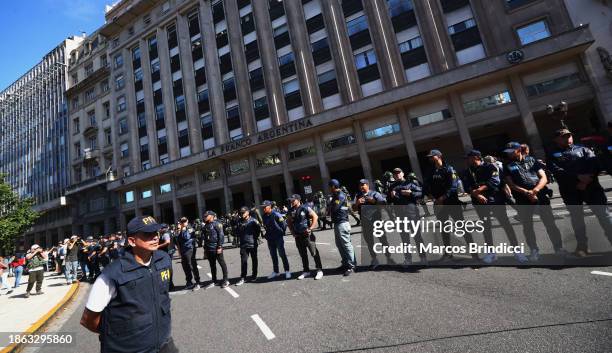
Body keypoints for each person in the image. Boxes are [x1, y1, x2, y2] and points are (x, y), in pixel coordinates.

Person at [80, 216, 177, 353]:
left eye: (156, 233)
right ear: (131, 241)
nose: (155, 237)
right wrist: (120, 335)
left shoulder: (164, 259)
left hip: (164, 344)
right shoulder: (112, 275)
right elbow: (88, 320)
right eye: (148, 234)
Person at [547, 128, 612, 257]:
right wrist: (577, 177)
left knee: (604, 216)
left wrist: (586, 180)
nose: (567, 138)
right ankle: (582, 246)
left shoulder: (584, 149)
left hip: (592, 188)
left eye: (569, 136)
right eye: (563, 136)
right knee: (577, 219)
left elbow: (595, 164)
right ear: (556, 140)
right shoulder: (552, 155)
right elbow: (557, 171)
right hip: (570, 191)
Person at [462, 149, 527, 264]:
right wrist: (477, 195)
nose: (467, 160)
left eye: (469, 157)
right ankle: (491, 253)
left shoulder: (490, 167)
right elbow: (467, 187)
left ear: (476, 157)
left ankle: (517, 252)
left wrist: (478, 191)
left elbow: (494, 181)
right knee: (486, 227)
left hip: (495, 200)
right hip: (480, 202)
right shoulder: (468, 171)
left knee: (506, 225)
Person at [503, 142, 565, 260]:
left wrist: (535, 190)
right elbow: (511, 184)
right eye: (508, 153)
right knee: (528, 226)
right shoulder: (508, 166)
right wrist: (527, 193)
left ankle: (559, 248)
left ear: (518, 150)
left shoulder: (532, 160)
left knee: (550, 223)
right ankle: (534, 250)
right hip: (522, 199)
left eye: (511, 152)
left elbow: (543, 177)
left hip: (540, 196)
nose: (509, 154)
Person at [424, 149, 478, 262]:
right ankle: (448, 254)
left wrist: (442, 198)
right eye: (429, 157)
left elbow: (453, 186)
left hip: (452, 202)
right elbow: (426, 186)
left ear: (439, 156)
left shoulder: (449, 169)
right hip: (438, 204)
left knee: (462, 227)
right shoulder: (430, 171)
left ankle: (474, 253)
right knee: (444, 229)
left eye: (432, 156)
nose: (430, 158)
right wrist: (433, 198)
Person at [389, 170, 429, 267]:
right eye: (395, 174)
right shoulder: (391, 186)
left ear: (403, 174)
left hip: (412, 213)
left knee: (417, 236)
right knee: (404, 238)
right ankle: (408, 259)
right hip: (400, 215)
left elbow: (421, 193)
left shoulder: (410, 183)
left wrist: (410, 193)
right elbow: (388, 200)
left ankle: (423, 258)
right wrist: (391, 196)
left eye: (399, 173)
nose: (397, 175)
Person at [353, 179, 389, 269]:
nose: (361, 187)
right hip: (365, 223)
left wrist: (374, 201)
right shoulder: (358, 196)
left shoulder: (375, 193)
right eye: (360, 185)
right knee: (370, 243)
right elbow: (353, 209)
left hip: (377, 222)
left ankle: (389, 257)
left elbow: (384, 203)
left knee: (383, 240)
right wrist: (357, 203)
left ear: (367, 185)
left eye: (363, 185)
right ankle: (374, 259)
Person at [287, 194, 323, 280]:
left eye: (293, 200)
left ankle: (319, 270)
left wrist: (311, 228)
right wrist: (292, 232)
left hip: (307, 235)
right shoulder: (290, 210)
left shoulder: (305, 207)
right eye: (291, 200)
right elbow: (288, 221)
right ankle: (306, 271)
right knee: (303, 254)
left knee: (314, 252)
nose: (291, 201)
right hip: (298, 236)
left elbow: (315, 216)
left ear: (298, 200)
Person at [329, 180, 356, 276]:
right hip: (338, 222)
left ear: (333, 186)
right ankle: (345, 263)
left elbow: (334, 208)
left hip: (342, 222)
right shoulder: (336, 195)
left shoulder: (340, 195)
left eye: (330, 186)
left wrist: (330, 205)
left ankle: (351, 265)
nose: (329, 188)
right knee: (339, 244)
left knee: (346, 244)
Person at [261, 200, 291, 280]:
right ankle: (276, 271)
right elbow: (265, 226)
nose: (263, 208)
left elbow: (283, 225)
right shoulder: (264, 216)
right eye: (263, 207)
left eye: (265, 207)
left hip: (278, 238)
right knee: (273, 256)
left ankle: (287, 271)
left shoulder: (276, 214)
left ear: (269, 206)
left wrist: (281, 233)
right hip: (270, 239)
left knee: (282, 254)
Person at [202, 211, 229, 289]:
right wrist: (205, 250)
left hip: (216, 248)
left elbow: (221, 235)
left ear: (211, 216)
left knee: (222, 263)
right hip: (209, 248)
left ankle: (226, 280)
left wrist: (219, 246)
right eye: (205, 216)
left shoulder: (217, 224)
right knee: (212, 265)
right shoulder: (205, 226)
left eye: (207, 216)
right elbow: (205, 239)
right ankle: (214, 280)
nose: (205, 217)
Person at [235, 207, 261, 286]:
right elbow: (236, 232)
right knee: (244, 261)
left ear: (248, 212)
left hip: (252, 243)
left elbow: (258, 230)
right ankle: (243, 277)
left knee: (254, 260)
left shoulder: (253, 220)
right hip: (243, 244)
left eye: (243, 212)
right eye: (241, 213)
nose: (242, 214)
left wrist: (254, 238)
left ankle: (254, 275)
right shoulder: (239, 221)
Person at [176, 217, 200, 290]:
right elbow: (177, 241)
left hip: (189, 249)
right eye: (181, 222)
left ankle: (198, 282)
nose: (183, 223)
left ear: (187, 221)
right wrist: (179, 251)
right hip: (183, 250)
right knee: (185, 266)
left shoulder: (189, 228)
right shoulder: (179, 230)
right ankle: (189, 281)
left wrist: (182, 230)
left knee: (192, 265)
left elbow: (186, 237)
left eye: (184, 221)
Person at [157, 224, 175, 291]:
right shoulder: (167, 233)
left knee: (166, 269)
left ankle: (169, 284)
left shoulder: (165, 234)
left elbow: (167, 242)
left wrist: (158, 246)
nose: (159, 230)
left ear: (163, 228)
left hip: (167, 253)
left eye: (160, 228)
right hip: (168, 252)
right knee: (167, 268)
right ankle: (170, 284)